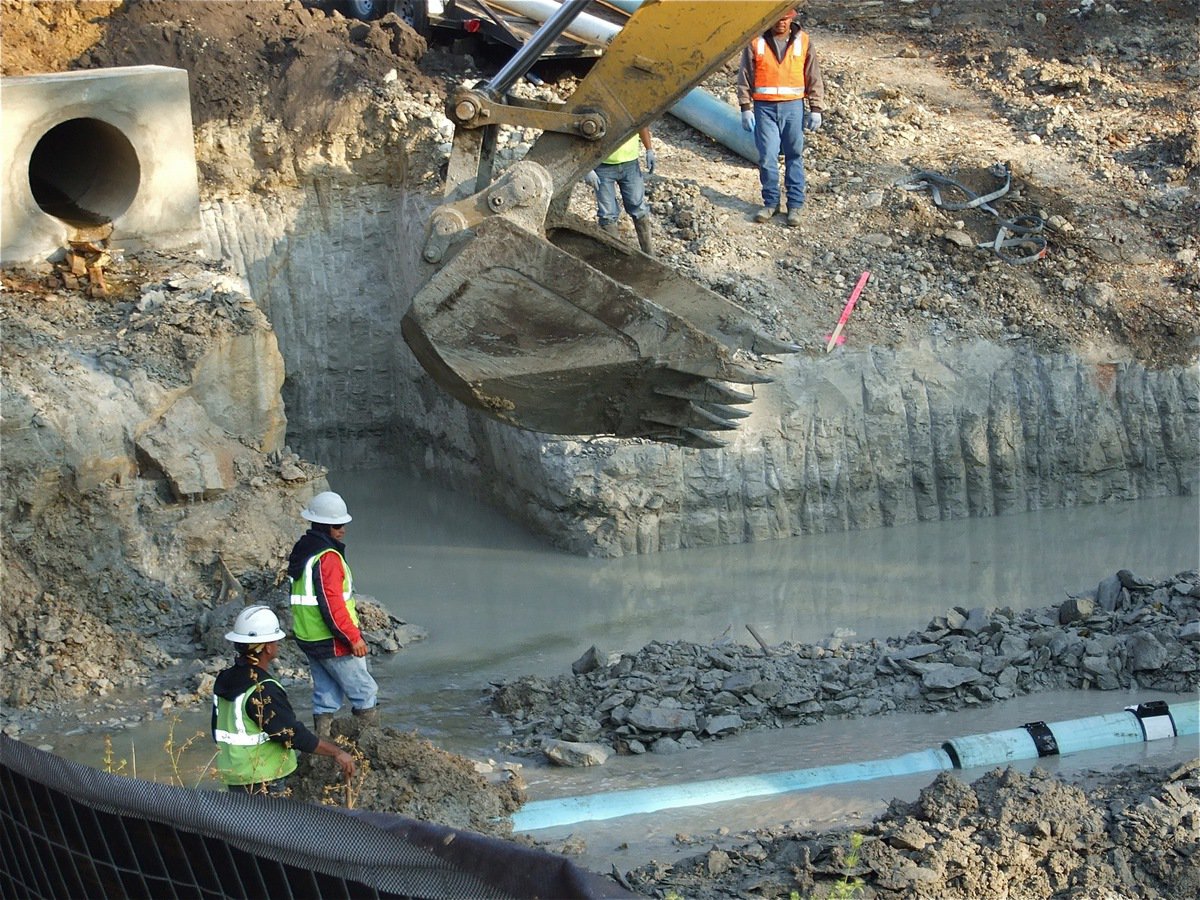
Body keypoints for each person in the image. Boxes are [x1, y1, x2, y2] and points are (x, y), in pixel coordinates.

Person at [212, 605, 356, 795]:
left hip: (234, 773)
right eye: (276, 642)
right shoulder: (263, 688)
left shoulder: (224, 679)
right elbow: (291, 734)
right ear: (268, 648)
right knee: (271, 824)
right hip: (264, 776)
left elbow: (217, 730)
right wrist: (337, 752)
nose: (278, 646)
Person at [288, 490, 379, 737]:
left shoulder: (304, 550)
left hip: (309, 636)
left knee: (325, 695)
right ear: (324, 526)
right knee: (364, 691)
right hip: (332, 639)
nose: (343, 530)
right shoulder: (327, 557)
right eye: (338, 525)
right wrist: (353, 637)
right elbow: (332, 604)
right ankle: (369, 747)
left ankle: (322, 747)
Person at [736, 6, 827, 227]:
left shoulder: (803, 41)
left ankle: (794, 206)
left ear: (791, 19)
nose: (781, 23)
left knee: (794, 155)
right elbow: (745, 75)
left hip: (793, 107)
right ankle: (770, 203)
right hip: (764, 108)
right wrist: (745, 106)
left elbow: (813, 76)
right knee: (767, 156)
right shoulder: (756, 42)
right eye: (777, 19)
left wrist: (816, 108)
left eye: (785, 19)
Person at [584, 126, 656, 254]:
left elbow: (642, 123)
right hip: (602, 165)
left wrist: (649, 149)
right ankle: (615, 257)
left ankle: (649, 254)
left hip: (630, 164)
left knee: (638, 207)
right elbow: (583, 132)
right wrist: (586, 167)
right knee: (607, 215)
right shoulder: (599, 106)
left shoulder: (631, 106)